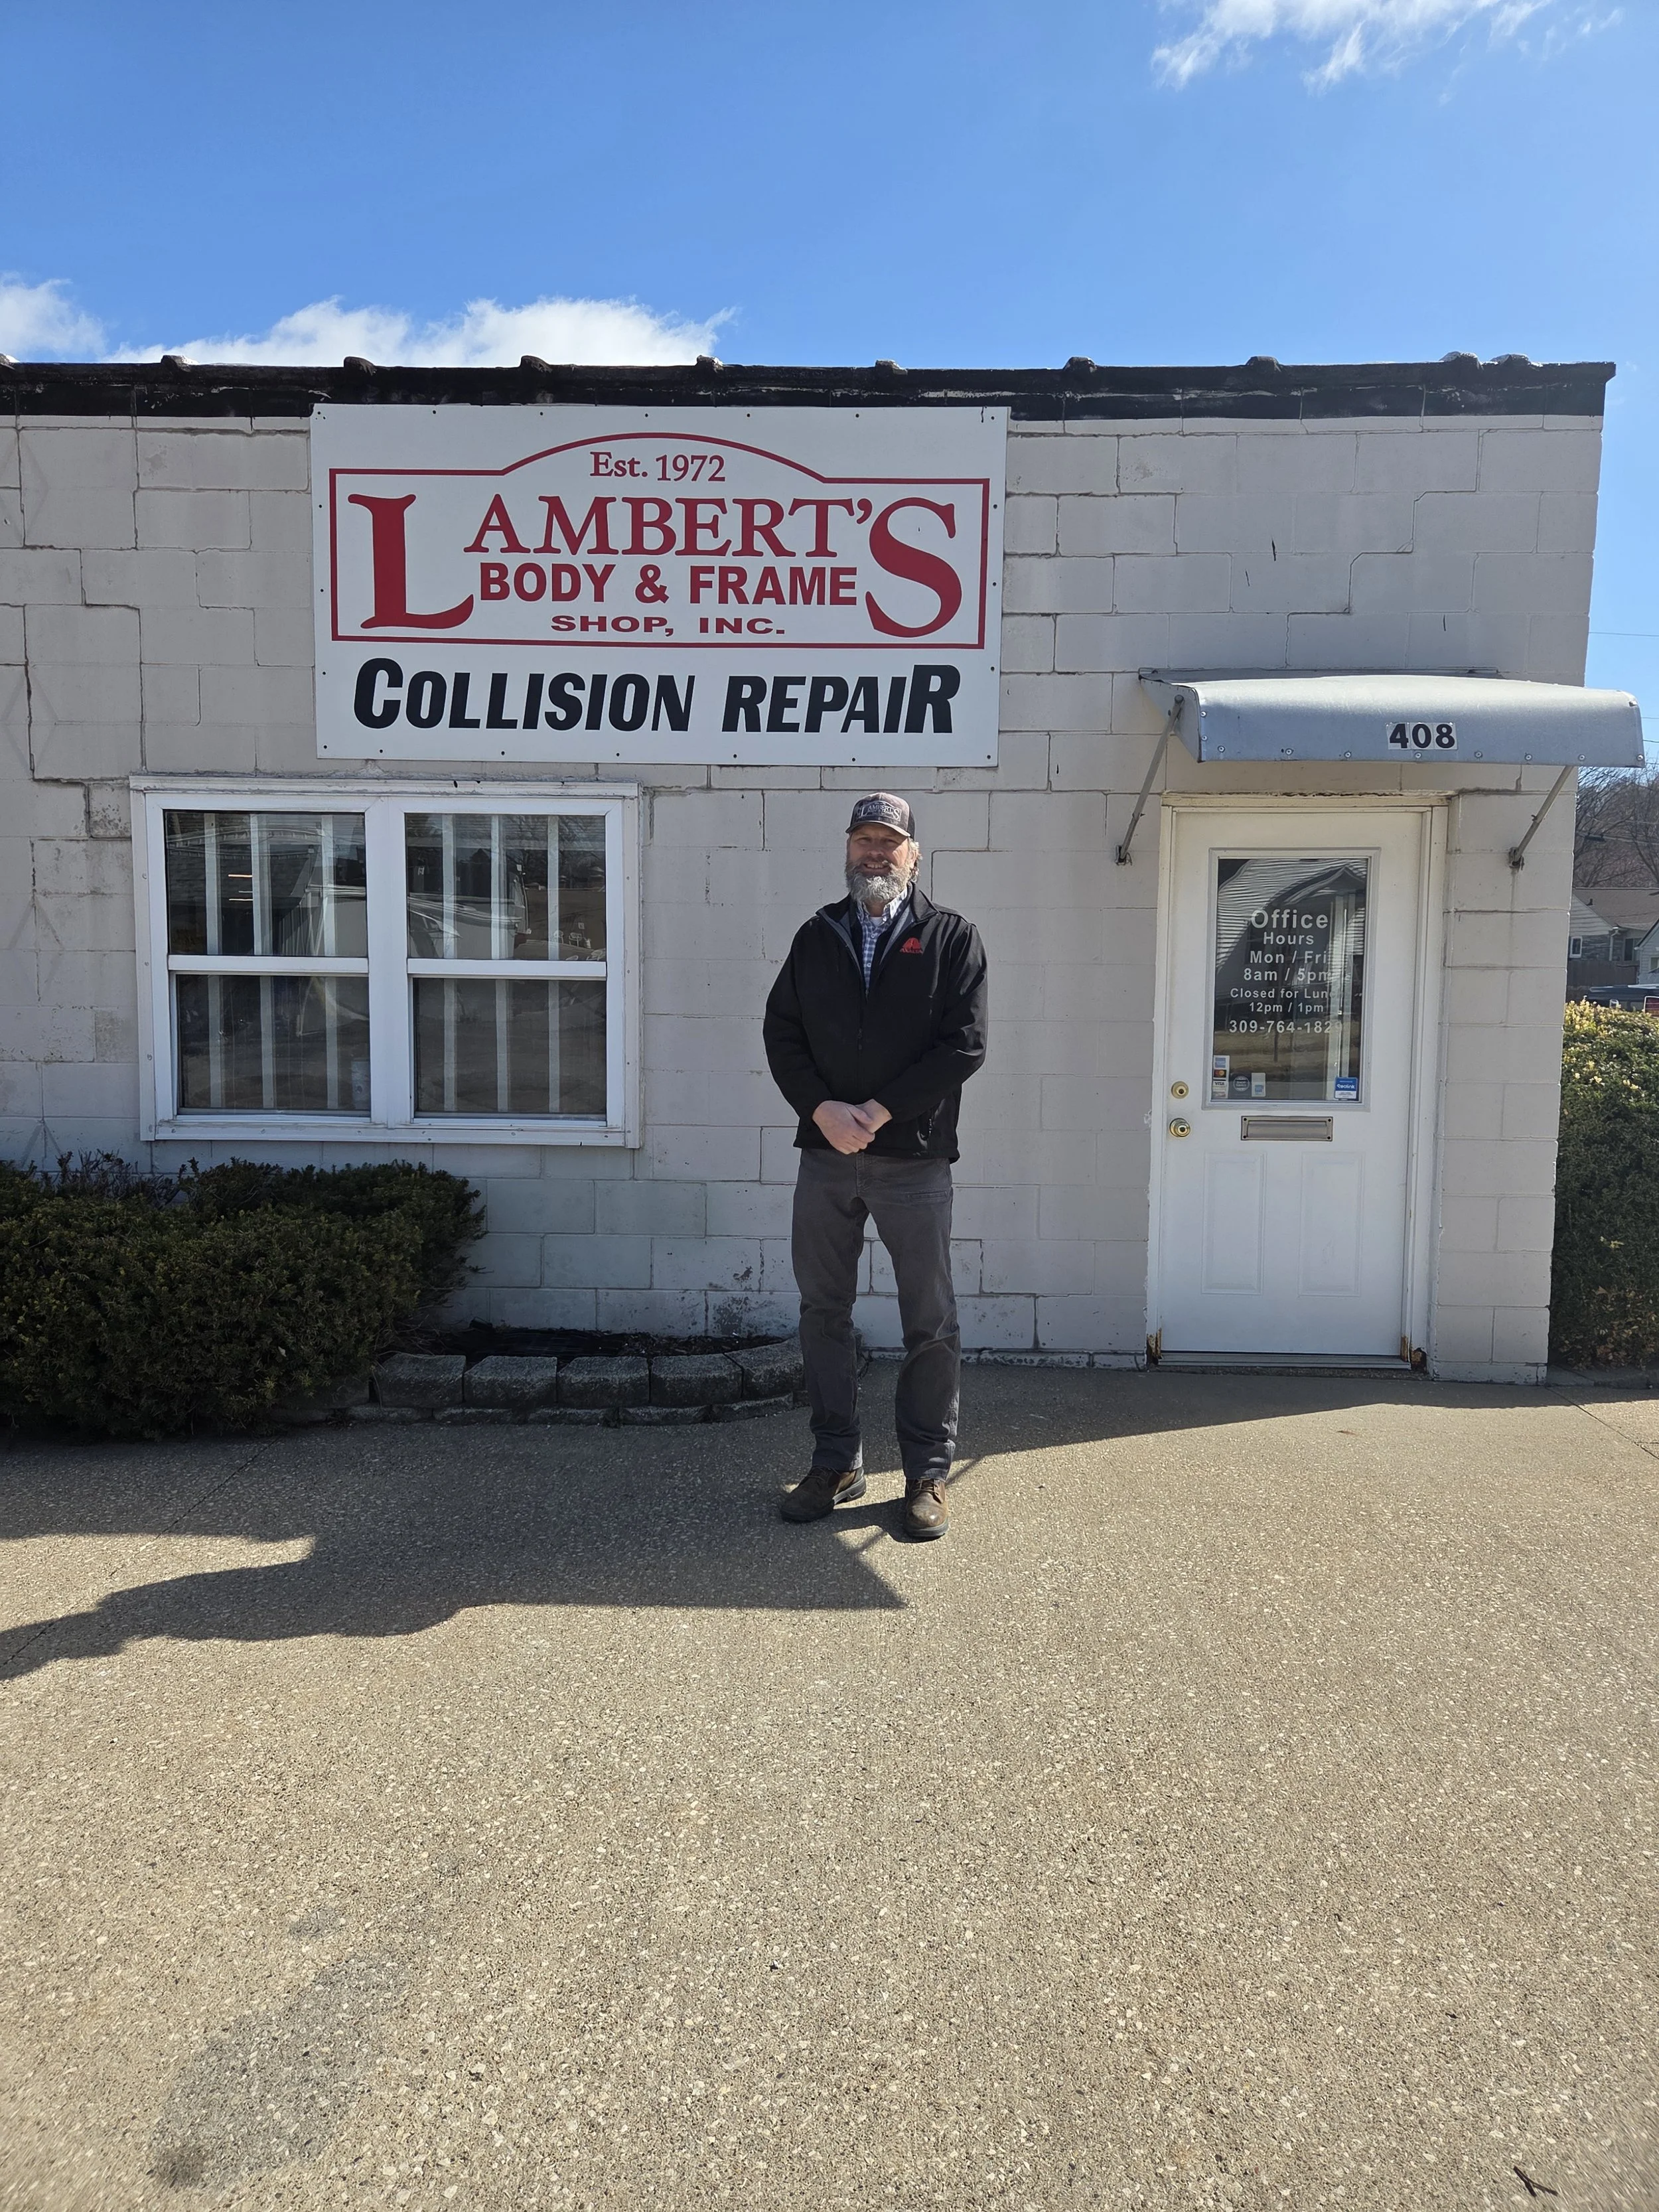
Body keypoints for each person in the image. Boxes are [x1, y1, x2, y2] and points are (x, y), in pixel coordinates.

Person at [762, 794, 988, 1539]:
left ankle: (926, 1472)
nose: (875, 853)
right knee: (823, 1312)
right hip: (826, 1159)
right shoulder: (816, 935)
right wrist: (823, 1109)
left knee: (929, 1320)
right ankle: (836, 1461)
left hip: (912, 1162)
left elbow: (964, 1045)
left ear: (914, 855)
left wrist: (880, 1111)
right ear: (847, 849)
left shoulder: (950, 937)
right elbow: (782, 1032)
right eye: (864, 839)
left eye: (889, 842)